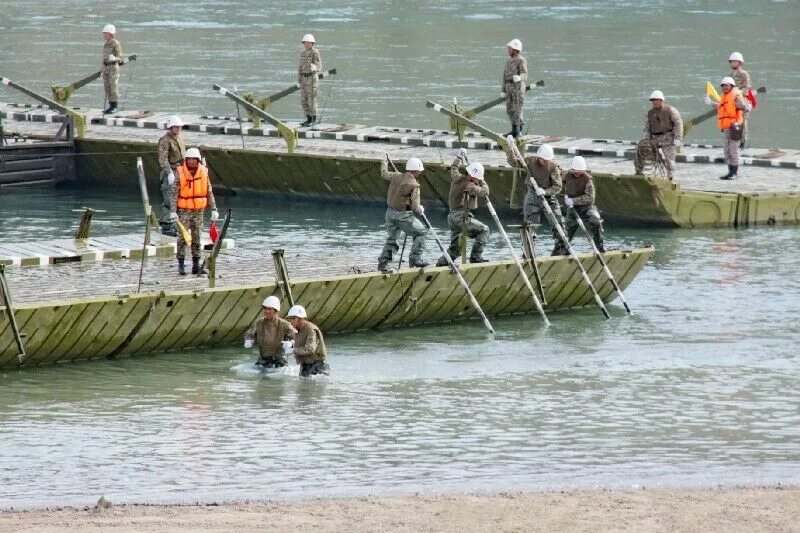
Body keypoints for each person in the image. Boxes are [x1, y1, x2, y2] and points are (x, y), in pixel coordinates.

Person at [505, 136, 564, 252]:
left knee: (558, 222)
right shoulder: (531, 161)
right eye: (543, 159)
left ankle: (560, 248)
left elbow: (558, 187)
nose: (545, 161)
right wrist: (510, 148)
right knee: (529, 224)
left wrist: (546, 192)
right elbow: (514, 162)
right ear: (539, 157)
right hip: (532, 195)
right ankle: (528, 251)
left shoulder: (553, 167)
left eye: (547, 160)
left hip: (549, 197)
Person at [168, 147, 219, 275]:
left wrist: (214, 209)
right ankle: (181, 265)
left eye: (194, 159)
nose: (191, 161)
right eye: (189, 159)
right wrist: (173, 211)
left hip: (198, 211)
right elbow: (174, 193)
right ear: (186, 160)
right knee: (182, 238)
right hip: (184, 211)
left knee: (197, 237)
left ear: (198, 160)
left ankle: (196, 266)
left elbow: (209, 191)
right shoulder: (180, 173)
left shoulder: (204, 172)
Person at [436, 149, 490, 266]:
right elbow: (484, 192)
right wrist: (482, 181)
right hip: (461, 217)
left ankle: (442, 263)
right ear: (474, 177)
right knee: (484, 230)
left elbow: (454, 168)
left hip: (452, 217)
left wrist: (459, 157)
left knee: (456, 248)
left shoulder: (457, 178)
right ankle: (475, 257)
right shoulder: (470, 186)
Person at [377, 156, 429, 272]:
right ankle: (415, 259)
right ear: (416, 171)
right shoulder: (414, 185)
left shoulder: (396, 176)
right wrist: (421, 209)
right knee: (421, 232)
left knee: (392, 239)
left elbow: (384, 174)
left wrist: (384, 162)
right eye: (419, 171)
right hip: (402, 216)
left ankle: (383, 264)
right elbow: (416, 208)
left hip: (390, 213)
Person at [554, 156, 604, 255]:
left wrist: (573, 200)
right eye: (575, 171)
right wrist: (562, 194)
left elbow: (590, 198)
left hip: (587, 208)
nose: (577, 173)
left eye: (579, 171)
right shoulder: (566, 176)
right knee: (565, 231)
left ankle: (599, 247)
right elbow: (558, 182)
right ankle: (560, 251)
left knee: (596, 221)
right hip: (573, 210)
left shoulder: (587, 180)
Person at [634, 90, 683, 180]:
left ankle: (670, 178)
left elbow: (678, 123)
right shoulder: (649, 113)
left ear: (661, 100)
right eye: (653, 100)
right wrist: (647, 141)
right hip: (654, 139)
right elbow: (648, 128)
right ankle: (638, 171)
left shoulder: (670, 110)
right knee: (640, 150)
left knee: (669, 160)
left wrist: (678, 138)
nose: (654, 102)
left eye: (656, 100)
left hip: (668, 139)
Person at [705, 77, 747, 180]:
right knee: (726, 151)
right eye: (723, 86)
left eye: (727, 85)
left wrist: (747, 106)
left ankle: (734, 173)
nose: (724, 87)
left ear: (732, 86)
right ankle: (730, 172)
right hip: (726, 128)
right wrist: (710, 102)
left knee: (733, 150)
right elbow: (720, 107)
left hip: (735, 127)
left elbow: (743, 106)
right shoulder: (724, 96)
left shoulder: (736, 95)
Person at [244, 296, 296, 369]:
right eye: (265, 308)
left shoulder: (284, 324)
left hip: (279, 360)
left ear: (275, 310)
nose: (266, 311)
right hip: (264, 359)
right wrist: (249, 340)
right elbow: (250, 333)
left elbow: (297, 336)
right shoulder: (259, 322)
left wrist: (291, 343)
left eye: (269, 309)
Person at [157, 115, 186, 236]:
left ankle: (174, 224)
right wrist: (169, 172)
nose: (179, 129)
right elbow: (163, 159)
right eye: (177, 127)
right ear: (171, 127)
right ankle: (166, 225)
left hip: (180, 171)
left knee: (178, 199)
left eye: (180, 127)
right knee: (169, 199)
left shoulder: (179, 138)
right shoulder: (165, 140)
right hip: (171, 171)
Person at [287, 305, 329, 377]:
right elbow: (300, 342)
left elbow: (310, 349)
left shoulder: (311, 329)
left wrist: (293, 350)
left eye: (293, 318)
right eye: (290, 318)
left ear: (300, 319)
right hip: (305, 365)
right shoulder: (297, 329)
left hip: (317, 366)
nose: (291, 321)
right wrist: (290, 344)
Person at [502, 38, 527, 138]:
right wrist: (503, 90)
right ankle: (513, 130)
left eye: (510, 48)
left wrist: (519, 77)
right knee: (510, 109)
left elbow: (524, 73)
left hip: (517, 87)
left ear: (515, 49)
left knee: (517, 109)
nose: (508, 50)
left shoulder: (521, 60)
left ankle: (518, 131)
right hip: (509, 87)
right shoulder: (508, 61)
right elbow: (504, 76)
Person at [728, 52, 752, 148]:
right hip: (732, 102)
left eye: (734, 61)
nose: (732, 63)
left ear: (739, 62)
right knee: (732, 121)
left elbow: (747, 88)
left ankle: (743, 141)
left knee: (742, 121)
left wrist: (738, 93)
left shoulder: (744, 74)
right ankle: (734, 141)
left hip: (743, 101)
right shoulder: (729, 75)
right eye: (731, 61)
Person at [298, 34, 322, 127]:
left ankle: (313, 119)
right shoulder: (303, 53)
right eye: (305, 43)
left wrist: (315, 68)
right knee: (303, 100)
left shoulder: (315, 52)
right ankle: (308, 118)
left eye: (308, 43)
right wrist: (299, 79)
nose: (306, 44)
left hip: (312, 78)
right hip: (304, 78)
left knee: (311, 99)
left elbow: (319, 65)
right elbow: (300, 67)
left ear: (312, 43)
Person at [101, 24, 123, 114]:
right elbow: (103, 59)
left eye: (106, 33)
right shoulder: (106, 44)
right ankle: (110, 105)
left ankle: (114, 106)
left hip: (113, 68)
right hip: (106, 68)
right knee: (107, 87)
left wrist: (114, 58)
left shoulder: (116, 43)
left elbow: (120, 57)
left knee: (113, 86)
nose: (104, 35)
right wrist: (102, 69)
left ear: (110, 33)